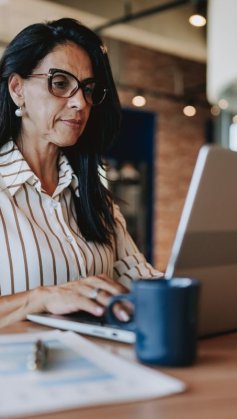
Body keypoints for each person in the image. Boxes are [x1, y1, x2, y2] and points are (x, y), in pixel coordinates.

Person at [0, 18, 161, 328]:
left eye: (88, 89)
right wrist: (40, 298)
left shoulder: (94, 199)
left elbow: (141, 279)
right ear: (17, 88)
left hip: (99, 370)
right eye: (60, 83)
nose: (80, 102)